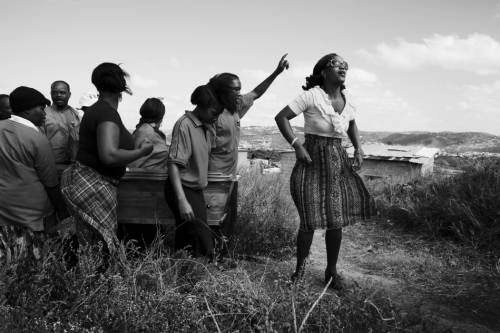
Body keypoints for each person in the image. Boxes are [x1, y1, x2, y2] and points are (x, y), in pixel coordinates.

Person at [275, 53, 372, 289]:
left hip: (337, 162)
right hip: (311, 163)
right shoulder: (311, 96)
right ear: (323, 72)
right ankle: (299, 272)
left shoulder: (348, 99)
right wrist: (296, 145)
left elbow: (350, 123)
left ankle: (331, 272)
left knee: (335, 221)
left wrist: (358, 148)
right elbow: (282, 117)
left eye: (345, 66)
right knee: (308, 221)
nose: (343, 68)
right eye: (336, 64)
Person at [60, 63, 153, 257]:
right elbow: (109, 155)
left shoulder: (99, 110)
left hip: (86, 183)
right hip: (94, 185)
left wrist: (135, 146)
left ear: (96, 84)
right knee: (100, 250)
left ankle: (87, 284)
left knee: (91, 247)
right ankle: (98, 285)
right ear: (122, 87)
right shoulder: (106, 112)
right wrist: (142, 152)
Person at [207, 54, 289, 243]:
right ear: (221, 92)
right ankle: (209, 259)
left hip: (230, 176)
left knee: (228, 220)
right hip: (212, 177)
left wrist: (276, 72)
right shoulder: (211, 115)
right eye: (234, 90)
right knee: (212, 220)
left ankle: (222, 256)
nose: (238, 94)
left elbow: (256, 93)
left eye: (239, 90)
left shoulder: (235, 106)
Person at [0, 86, 69, 263]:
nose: (45, 114)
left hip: (4, 211)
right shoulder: (36, 137)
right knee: (33, 264)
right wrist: (62, 212)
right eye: (41, 108)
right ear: (28, 109)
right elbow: (51, 182)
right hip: (32, 215)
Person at [164, 84, 223, 258]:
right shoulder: (185, 125)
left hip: (194, 190)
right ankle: (195, 277)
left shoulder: (205, 127)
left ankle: (184, 277)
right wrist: (182, 200)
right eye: (214, 113)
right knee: (202, 238)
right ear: (201, 106)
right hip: (182, 188)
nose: (216, 118)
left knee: (188, 239)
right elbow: (173, 164)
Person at [41, 81, 80, 173]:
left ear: (69, 94)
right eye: (55, 92)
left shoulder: (76, 114)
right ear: (51, 94)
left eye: (62, 92)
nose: (58, 95)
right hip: (51, 166)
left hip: (73, 166)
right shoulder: (43, 114)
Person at [129, 97, 169, 170]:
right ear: (161, 117)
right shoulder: (147, 132)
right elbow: (133, 165)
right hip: (144, 179)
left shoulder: (143, 129)